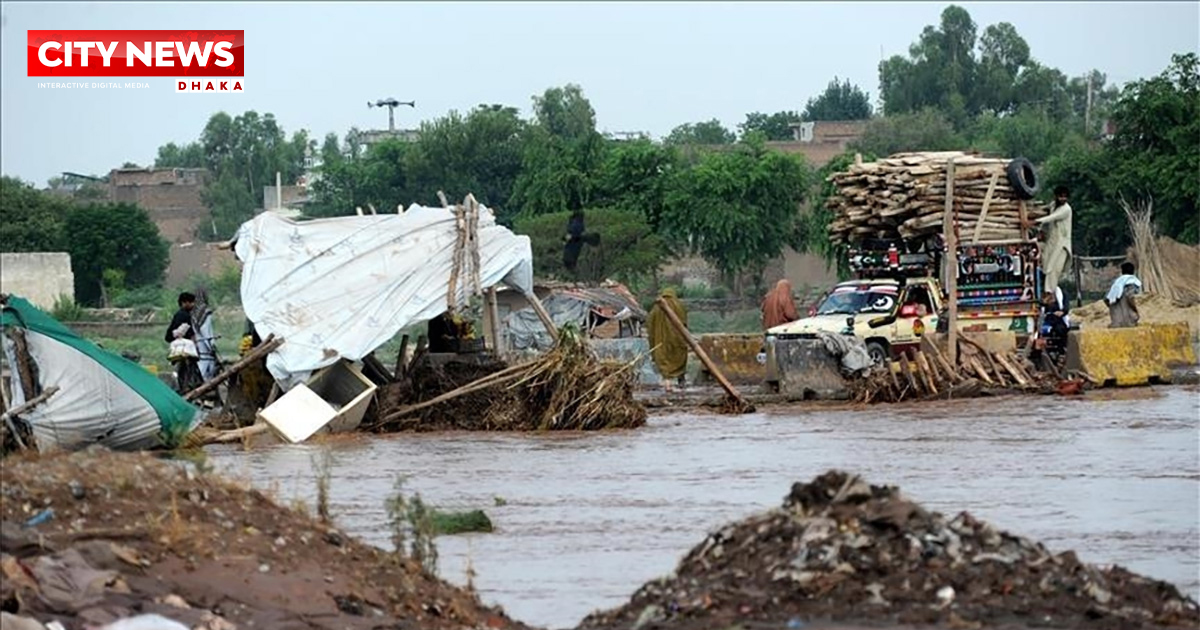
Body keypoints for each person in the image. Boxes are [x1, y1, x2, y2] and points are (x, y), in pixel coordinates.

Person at [647, 288, 689, 391]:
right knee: (680, 357)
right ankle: (681, 380)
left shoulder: (656, 307)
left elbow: (649, 323)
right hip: (677, 339)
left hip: (661, 341)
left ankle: (667, 384)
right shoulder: (679, 306)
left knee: (664, 360)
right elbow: (684, 322)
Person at [1035, 185, 1073, 294]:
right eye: (1060, 196)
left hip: (1062, 244)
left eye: (1065, 197)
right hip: (1052, 241)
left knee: (1054, 268)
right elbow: (1045, 210)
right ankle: (1043, 290)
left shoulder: (1066, 209)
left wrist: (1033, 222)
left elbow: (1051, 218)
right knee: (1045, 264)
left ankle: (1049, 292)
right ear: (1056, 196)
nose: (1063, 199)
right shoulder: (1053, 205)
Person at [191, 287, 218, 381]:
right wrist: (211, 344)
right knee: (209, 362)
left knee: (201, 361)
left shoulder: (193, 311)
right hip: (205, 341)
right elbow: (206, 330)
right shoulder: (205, 311)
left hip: (197, 341)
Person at [1105, 262, 1142, 328]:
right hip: (1130, 321)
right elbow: (1130, 297)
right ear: (1133, 271)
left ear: (1122, 272)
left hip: (1116, 322)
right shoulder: (1133, 282)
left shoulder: (1115, 284)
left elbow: (1107, 299)